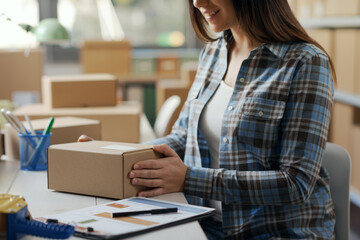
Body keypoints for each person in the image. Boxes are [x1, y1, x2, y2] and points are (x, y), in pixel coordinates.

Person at [79, 0, 336, 238]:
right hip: (205, 223)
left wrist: (189, 179)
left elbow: (296, 183)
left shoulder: (306, 62)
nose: (197, 3)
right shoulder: (212, 53)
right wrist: (117, 155)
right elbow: (183, 136)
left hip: (275, 231)